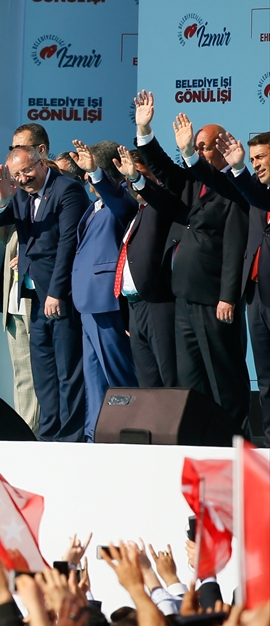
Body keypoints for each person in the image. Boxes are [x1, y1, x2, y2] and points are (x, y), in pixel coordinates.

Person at [134, 97, 249, 431]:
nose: (197, 152)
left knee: (223, 378)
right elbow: (166, 174)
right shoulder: (194, 184)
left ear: (222, 149)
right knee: (191, 379)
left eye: (203, 146)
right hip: (184, 296)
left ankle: (234, 443)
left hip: (215, 299)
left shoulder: (235, 187)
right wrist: (145, 132)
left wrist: (229, 296)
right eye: (194, 146)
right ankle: (201, 442)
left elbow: (235, 247)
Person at [0, 144, 88, 442]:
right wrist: (2, 198)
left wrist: (57, 292)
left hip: (60, 295)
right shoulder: (19, 194)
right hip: (34, 296)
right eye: (17, 175)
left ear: (42, 163)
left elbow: (68, 244)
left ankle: (71, 436)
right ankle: (49, 433)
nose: (23, 178)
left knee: (68, 369)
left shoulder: (67, 190)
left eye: (27, 170)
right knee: (42, 370)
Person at [69, 140, 138, 442]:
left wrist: (97, 172)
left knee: (118, 378)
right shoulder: (94, 207)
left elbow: (120, 203)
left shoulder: (122, 200)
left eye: (91, 169)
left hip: (106, 301)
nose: (85, 176)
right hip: (87, 302)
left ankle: (129, 432)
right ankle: (94, 437)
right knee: (94, 379)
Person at [95, 142, 178, 390]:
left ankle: (178, 429)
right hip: (135, 309)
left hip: (159, 306)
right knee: (147, 382)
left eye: (139, 174)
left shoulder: (163, 207)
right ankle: (153, 429)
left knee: (169, 379)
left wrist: (139, 178)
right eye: (130, 176)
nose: (134, 181)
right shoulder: (138, 211)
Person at [215, 132, 270, 433]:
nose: (256, 164)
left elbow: (261, 197)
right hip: (256, 297)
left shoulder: (260, 193)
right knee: (265, 378)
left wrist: (239, 169)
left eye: (260, 157)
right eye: (252, 160)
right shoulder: (253, 191)